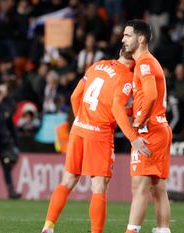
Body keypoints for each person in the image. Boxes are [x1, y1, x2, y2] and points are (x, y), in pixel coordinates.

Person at [41, 49, 135, 233]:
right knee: (99, 186)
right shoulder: (126, 77)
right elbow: (117, 108)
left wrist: (82, 120)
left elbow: (75, 96)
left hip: (78, 129)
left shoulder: (96, 65)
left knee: (68, 180)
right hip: (99, 134)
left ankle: (48, 227)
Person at [119, 19, 172, 233]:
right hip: (159, 127)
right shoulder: (147, 62)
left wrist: (138, 121)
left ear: (141, 39)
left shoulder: (145, 63)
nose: (123, 39)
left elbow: (150, 95)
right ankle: (163, 230)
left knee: (139, 186)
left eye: (127, 35)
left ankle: (131, 232)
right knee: (157, 187)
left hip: (150, 130)